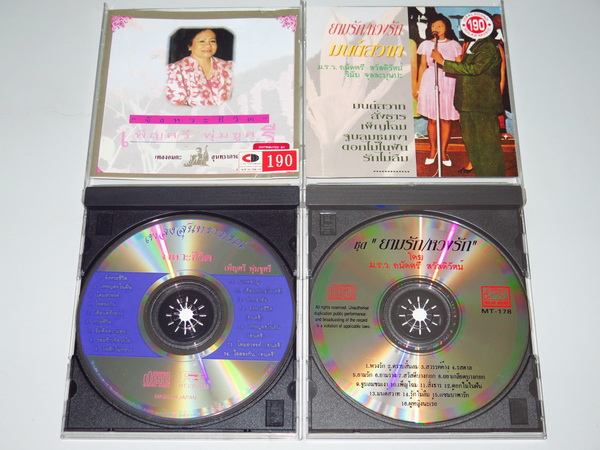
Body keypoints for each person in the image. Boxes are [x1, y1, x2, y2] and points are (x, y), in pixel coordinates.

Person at [431, 12, 505, 177]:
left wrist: (443, 62)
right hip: (468, 104)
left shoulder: (488, 46)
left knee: (487, 146)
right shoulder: (473, 44)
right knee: (473, 145)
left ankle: (493, 179)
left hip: (482, 105)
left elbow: (475, 69)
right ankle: (482, 177)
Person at [415, 14, 462, 167]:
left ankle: (443, 152)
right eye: (433, 26)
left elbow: (459, 66)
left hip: (448, 81)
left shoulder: (454, 44)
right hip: (430, 80)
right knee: (432, 119)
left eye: (440, 26)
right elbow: (423, 66)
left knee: (445, 119)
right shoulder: (426, 44)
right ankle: (432, 150)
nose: (436, 28)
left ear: (446, 28)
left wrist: (442, 60)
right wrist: (418, 87)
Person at [166, 29, 233, 106]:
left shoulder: (228, 67)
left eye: (212, 41)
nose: (208, 45)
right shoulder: (176, 70)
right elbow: (178, 106)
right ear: (190, 46)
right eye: (202, 41)